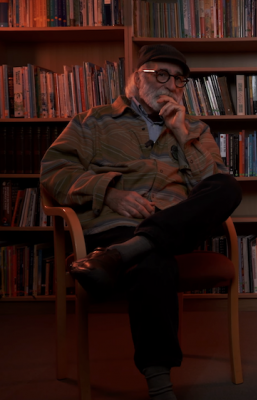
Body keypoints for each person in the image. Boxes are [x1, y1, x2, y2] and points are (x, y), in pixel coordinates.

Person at [40, 44, 242, 400]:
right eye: (161, 75)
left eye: (179, 80)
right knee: (154, 262)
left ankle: (121, 255)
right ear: (136, 78)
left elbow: (211, 183)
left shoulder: (194, 128)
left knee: (227, 187)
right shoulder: (93, 120)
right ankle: (161, 386)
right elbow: (54, 172)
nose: (171, 85)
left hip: (175, 225)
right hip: (114, 223)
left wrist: (183, 134)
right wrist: (110, 193)